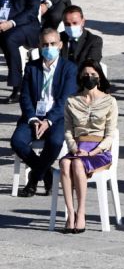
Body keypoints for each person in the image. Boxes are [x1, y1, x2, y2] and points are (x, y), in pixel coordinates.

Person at [10, 28, 77, 197]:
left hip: (57, 117)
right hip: (33, 116)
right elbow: (25, 96)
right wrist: (32, 118)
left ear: (60, 45)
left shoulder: (69, 68)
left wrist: (49, 121)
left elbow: (65, 100)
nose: (49, 47)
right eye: (45, 44)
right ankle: (46, 172)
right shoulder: (32, 67)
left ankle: (33, 179)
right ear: (39, 45)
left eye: (53, 44)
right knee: (17, 141)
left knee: (55, 142)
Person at [59, 60, 117, 234]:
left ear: (99, 77)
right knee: (65, 163)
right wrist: (75, 148)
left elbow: (110, 134)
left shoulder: (109, 101)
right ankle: (70, 212)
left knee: (77, 164)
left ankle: (82, 212)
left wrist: (93, 151)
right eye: (85, 75)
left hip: (99, 150)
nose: (89, 78)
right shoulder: (72, 101)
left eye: (93, 75)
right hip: (78, 147)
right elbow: (68, 130)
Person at [0, 0, 40, 104]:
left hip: (24, 25)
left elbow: (32, 10)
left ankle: (18, 86)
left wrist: (11, 23)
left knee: (10, 38)